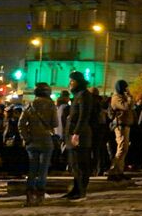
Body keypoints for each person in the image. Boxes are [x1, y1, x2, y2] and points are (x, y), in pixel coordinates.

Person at [18, 82, 58, 206]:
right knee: (43, 169)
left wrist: (26, 138)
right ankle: (40, 196)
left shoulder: (30, 105)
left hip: (32, 142)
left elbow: (21, 124)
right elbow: (55, 123)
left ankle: (30, 196)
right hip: (46, 141)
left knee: (32, 170)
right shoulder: (51, 105)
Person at [64, 71, 94, 200]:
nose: (70, 84)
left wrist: (76, 133)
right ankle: (75, 189)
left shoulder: (84, 95)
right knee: (74, 164)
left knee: (80, 164)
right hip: (73, 133)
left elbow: (83, 116)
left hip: (80, 135)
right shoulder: (78, 95)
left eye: (72, 81)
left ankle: (81, 191)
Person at [107, 79, 134, 181]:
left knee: (124, 149)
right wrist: (129, 97)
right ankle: (113, 171)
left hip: (125, 124)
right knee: (121, 148)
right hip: (120, 125)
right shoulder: (116, 98)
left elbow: (130, 106)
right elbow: (126, 107)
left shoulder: (123, 97)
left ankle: (119, 171)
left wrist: (129, 97)